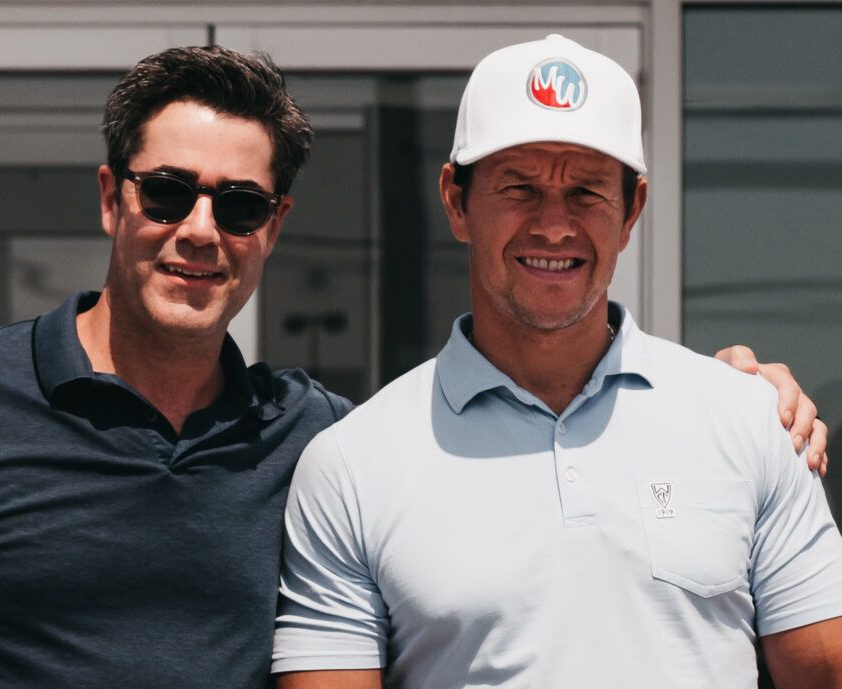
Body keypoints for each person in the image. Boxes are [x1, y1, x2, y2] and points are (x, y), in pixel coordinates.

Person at [0, 44, 825, 689]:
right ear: (112, 197)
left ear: (274, 223)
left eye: (238, 204)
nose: (199, 229)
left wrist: (737, 395)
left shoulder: (314, 439)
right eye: (167, 192)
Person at [272, 35, 842, 689]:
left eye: (585, 191)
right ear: (456, 201)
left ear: (631, 210)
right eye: (518, 187)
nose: (552, 225)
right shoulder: (350, 465)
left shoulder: (751, 421)